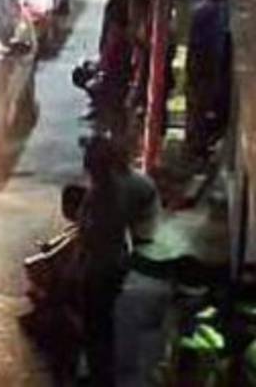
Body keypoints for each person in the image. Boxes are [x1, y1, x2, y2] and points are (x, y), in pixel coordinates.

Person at [76, 136, 158, 387]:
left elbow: (92, 236)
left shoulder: (107, 195)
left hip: (103, 268)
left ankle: (100, 374)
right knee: (101, 324)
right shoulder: (130, 184)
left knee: (97, 325)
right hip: (115, 264)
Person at [186, 0, 231, 162]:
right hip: (208, 65)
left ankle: (197, 144)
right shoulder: (218, 11)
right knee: (202, 105)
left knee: (198, 106)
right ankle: (198, 145)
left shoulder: (204, 11)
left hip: (203, 64)